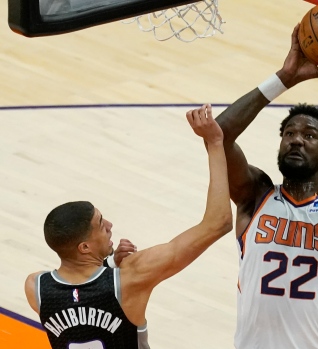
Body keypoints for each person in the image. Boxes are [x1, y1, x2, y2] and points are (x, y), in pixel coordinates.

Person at [194, 24, 318, 349]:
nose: (297, 139)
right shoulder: (254, 195)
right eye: (289, 134)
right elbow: (219, 136)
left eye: (309, 136)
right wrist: (285, 77)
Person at [24, 104, 233, 349]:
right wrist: (215, 143)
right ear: (84, 247)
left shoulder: (36, 287)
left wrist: (109, 263)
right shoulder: (131, 277)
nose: (110, 225)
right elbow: (218, 223)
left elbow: (79, 292)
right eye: (101, 224)